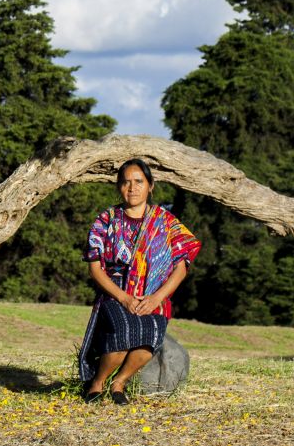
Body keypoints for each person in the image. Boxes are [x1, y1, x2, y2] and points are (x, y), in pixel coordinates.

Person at [78, 158, 201, 404]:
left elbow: (181, 266)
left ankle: (119, 382)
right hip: (115, 293)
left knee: (151, 336)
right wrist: (123, 298)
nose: (132, 188)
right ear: (118, 187)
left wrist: (157, 297)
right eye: (125, 182)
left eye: (138, 182)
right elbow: (95, 268)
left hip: (152, 294)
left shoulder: (165, 222)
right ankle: (97, 382)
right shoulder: (106, 220)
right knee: (125, 333)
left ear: (150, 185)